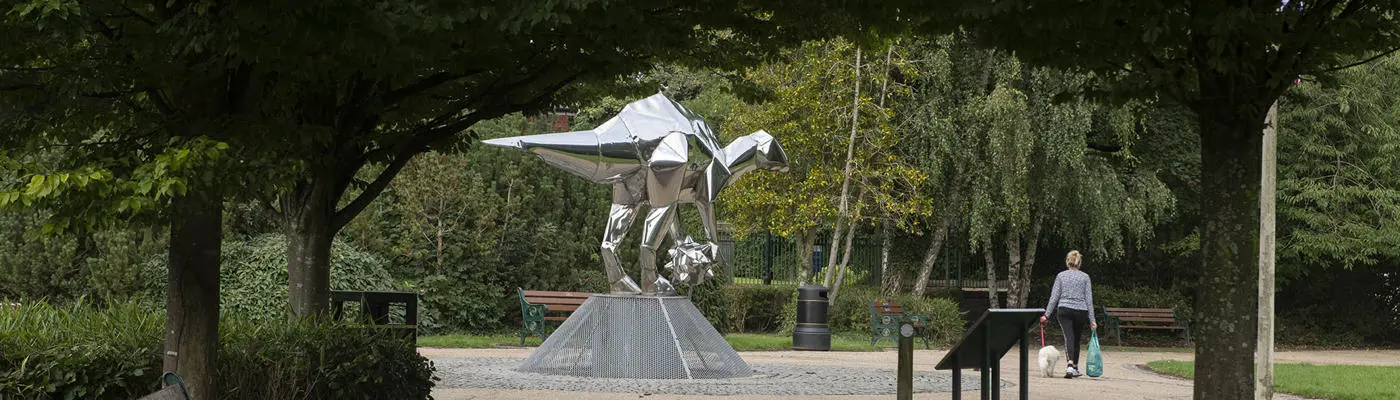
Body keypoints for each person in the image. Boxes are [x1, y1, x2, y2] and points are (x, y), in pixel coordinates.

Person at [1041, 250, 1096, 378]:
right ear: (1079, 263)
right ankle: (1074, 367)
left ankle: (1070, 365)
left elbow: (1054, 297)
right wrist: (1092, 319)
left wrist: (1046, 315)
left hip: (1064, 309)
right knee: (1076, 338)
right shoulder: (1085, 277)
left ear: (1067, 262)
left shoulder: (1061, 276)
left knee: (1068, 337)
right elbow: (1089, 300)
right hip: (1081, 311)